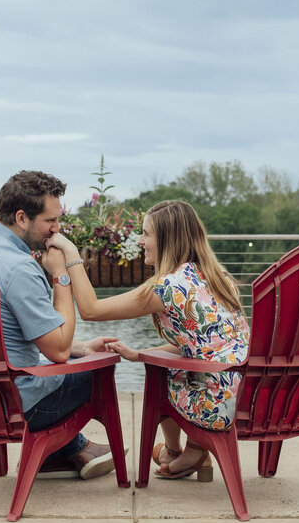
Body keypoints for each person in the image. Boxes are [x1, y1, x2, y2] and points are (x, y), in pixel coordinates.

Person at [47, 199, 250, 481]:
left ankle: (183, 449)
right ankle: (186, 452)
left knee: (161, 375)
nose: (140, 241)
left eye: (146, 234)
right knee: (169, 365)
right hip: (250, 393)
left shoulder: (168, 286)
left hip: (216, 405)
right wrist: (138, 353)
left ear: (166, 240)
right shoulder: (220, 278)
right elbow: (200, 342)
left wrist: (70, 252)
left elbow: (90, 310)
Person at [0, 170, 119, 480]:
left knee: (75, 357)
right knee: (99, 370)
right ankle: (73, 448)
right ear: (22, 218)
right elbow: (58, 352)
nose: (57, 230)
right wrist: (61, 274)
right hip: (11, 404)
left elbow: (1, 339)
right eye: (50, 222)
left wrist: (81, 348)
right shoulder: (19, 268)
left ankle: (67, 452)